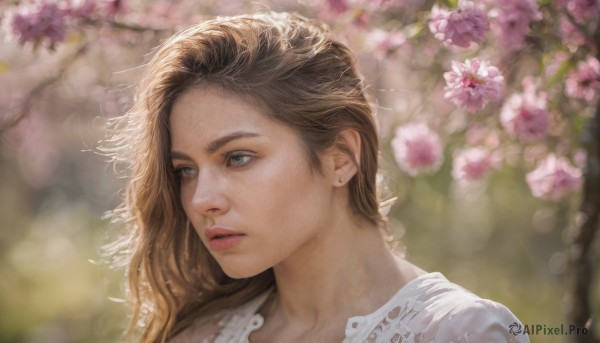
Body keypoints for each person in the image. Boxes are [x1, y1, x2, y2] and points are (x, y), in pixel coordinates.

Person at [105, 11, 529, 343]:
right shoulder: (200, 338)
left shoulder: (461, 332)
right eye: (186, 170)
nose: (201, 200)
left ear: (341, 157)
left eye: (237, 158)